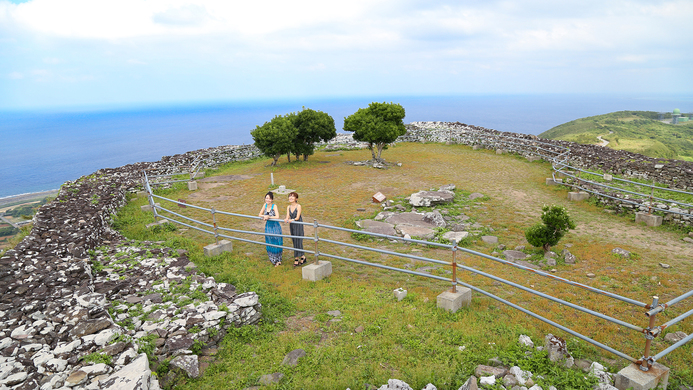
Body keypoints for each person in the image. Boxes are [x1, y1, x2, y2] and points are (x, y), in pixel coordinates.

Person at [258, 191, 283, 266]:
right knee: (269, 241)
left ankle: (278, 260)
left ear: (272, 199)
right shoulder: (265, 205)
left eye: (269, 198)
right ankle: (272, 259)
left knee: (276, 241)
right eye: (266, 198)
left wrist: (268, 216)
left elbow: (277, 216)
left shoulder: (274, 206)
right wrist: (264, 216)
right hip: (268, 227)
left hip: (275, 226)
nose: (267, 200)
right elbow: (260, 214)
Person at [284, 191, 306, 267]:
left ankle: (297, 258)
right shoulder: (288, 207)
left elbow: (297, 217)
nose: (291, 197)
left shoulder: (298, 206)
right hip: (292, 225)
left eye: (293, 196)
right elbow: (288, 216)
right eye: (290, 196)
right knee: (294, 240)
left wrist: (291, 220)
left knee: (298, 241)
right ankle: (302, 256)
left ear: (296, 198)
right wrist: (286, 219)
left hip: (298, 224)